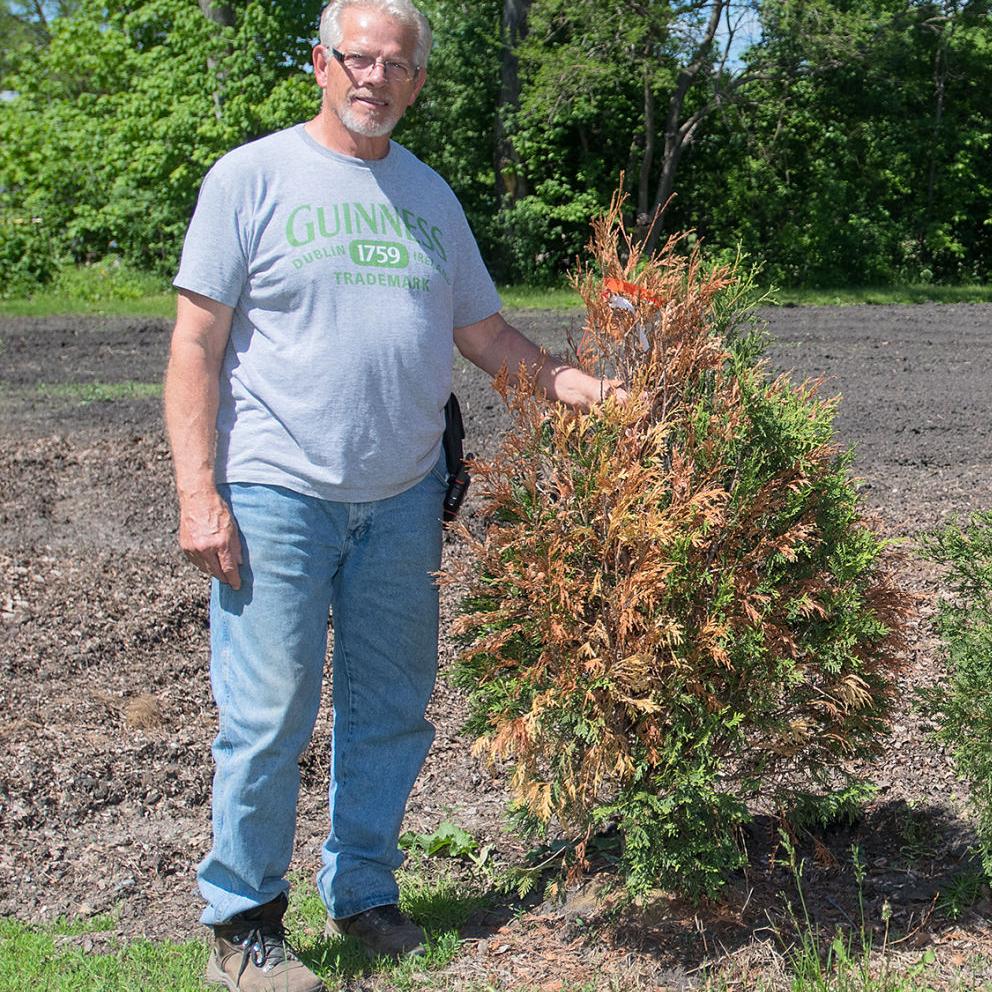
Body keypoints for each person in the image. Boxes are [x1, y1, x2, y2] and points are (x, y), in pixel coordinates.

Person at [163, 2, 616, 989]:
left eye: (395, 64)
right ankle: (243, 922)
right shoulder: (251, 178)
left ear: (416, 82)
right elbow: (195, 344)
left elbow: (483, 333)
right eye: (357, 58)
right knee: (268, 710)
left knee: (392, 707)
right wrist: (198, 492)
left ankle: (364, 894)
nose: (374, 77)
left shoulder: (428, 196)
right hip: (275, 491)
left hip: (404, 495)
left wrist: (570, 383)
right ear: (321, 64)